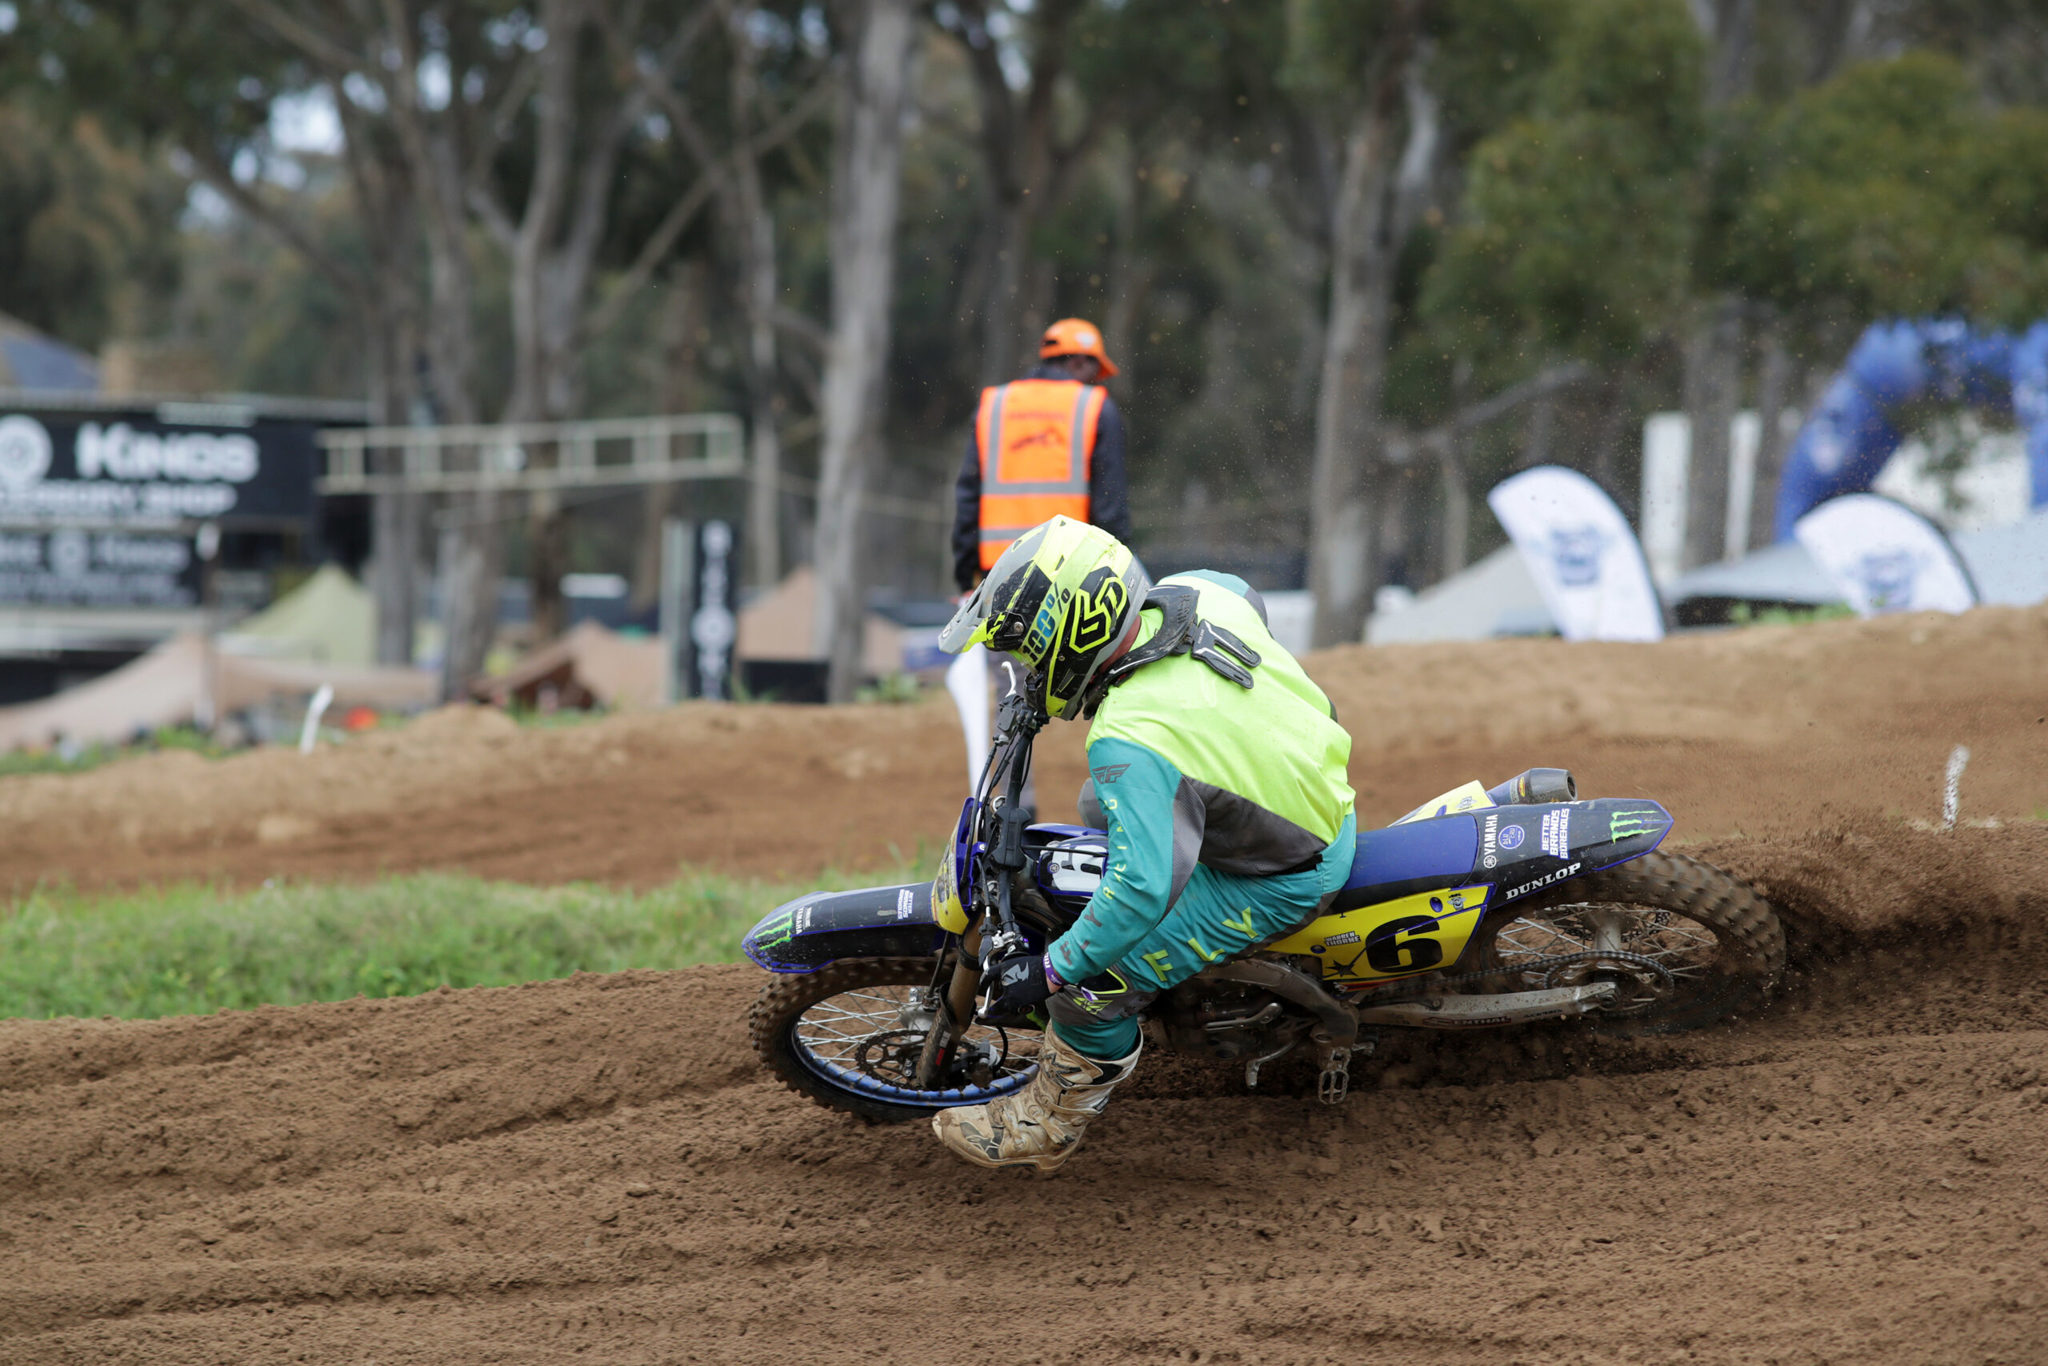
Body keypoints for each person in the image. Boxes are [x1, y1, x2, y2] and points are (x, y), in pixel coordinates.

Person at [931, 516, 1358, 1173]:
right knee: (1095, 803)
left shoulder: (1130, 737)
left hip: (1288, 870)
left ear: (1071, 635)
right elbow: (1246, 594)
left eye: (1029, 653)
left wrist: (1049, 971)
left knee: (1088, 986)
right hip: (1310, 778)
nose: (1026, 669)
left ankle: (1050, 1124)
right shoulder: (1198, 593)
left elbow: (1140, 892)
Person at [945, 321, 1133, 809]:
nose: (1095, 381)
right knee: (1113, 689)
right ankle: (1124, 799)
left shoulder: (994, 406)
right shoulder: (1094, 407)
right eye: (1094, 370)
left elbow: (967, 497)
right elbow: (1111, 507)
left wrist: (966, 577)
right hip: (1076, 584)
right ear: (1080, 361)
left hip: (1003, 585)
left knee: (1011, 699)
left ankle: (1012, 810)